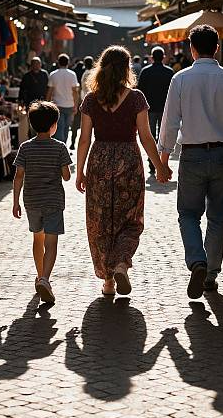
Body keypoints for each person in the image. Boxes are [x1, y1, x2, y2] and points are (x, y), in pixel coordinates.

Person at [158, 25, 223, 300]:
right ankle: (210, 275)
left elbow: (170, 122)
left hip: (192, 155)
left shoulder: (181, 79)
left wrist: (163, 159)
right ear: (216, 48)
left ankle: (197, 261)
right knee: (217, 217)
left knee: (188, 214)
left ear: (192, 48)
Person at [76, 46, 171, 297]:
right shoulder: (136, 98)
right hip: (129, 161)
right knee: (130, 218)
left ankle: (108, 281)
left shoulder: (90, 99)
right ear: (127, 68)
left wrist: (80, 171)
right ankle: (121, 262)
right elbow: (146, 137)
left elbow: (84, 139)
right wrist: (159, 167)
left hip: (99, 161)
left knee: (100, 221)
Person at [12, 101, 72, 304]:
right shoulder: (60, 148)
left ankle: (40, 277)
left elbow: (19, 176)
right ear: (54, 125)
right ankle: (45, 278)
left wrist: (15, 202)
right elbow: (66, 176)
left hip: (31, 201)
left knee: (37, 240)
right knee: (51, 243)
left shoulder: (25, 148)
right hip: (53, 201)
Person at [137, 46, 174, 174]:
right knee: (163, 135)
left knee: (150, 135)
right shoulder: (169, 72)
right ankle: (161, 161)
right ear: (163, 57)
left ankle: (152, 161)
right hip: (165, 107)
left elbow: (140, 90)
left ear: (152, 57)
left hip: (149, 108)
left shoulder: (145, 71)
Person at [47, 53, 79, 144]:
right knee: (66, 127)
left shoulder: (53, 74)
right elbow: (75, 91)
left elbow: (50, 91)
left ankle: (61, 147)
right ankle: (63, 146)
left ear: (58, 63)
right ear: (68, 63)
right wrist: (75, 105)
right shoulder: (72, 74)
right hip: (69, 105)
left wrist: (47, 103)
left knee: (59, 127)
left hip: (57, 105)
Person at [70, 55, 94, 150]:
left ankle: (73, 142)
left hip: (82, 100)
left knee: (77, 124)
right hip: (91, 102)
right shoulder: (93, 74)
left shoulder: (82, 73)